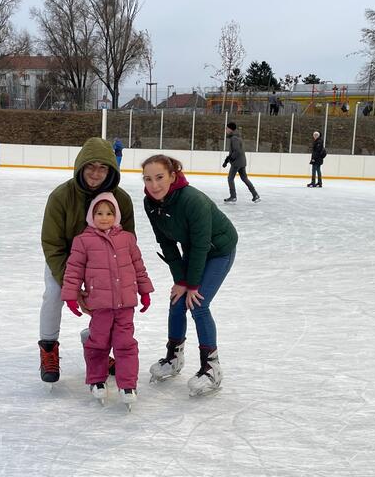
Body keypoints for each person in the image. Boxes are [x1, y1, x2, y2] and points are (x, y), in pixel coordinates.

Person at [39, 137, 135, 383]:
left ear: (111, 170)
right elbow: (53, 244)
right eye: (90, 166)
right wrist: (71, 286)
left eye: (102, 167)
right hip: (66, 261)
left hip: (103, 265)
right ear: (80, 166)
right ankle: (48, 349)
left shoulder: (121, 200)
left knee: (112, 303)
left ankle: (95, 344)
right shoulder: (60, 196)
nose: (95, 173)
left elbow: (127, 242)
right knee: (53, 292)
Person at [142, 155, 238, 397]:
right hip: (194, 250)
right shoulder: (150, 203)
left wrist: (192, 284)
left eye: (160, 177)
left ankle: (211, 368)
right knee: (177, 300)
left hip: (218, 250)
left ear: (173, 176)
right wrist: (180, 281)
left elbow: (200, 245)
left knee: (198, 304)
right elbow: (166, 243)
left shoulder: (192, 201)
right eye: (148, 179)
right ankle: (173, 357)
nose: (154, 185)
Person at [61, 192, 153, 407]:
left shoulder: (127, 239)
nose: (104, 218)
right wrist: (71, 297)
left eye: (109, 213)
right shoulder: (83, 241)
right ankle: (96, 380)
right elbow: (73, 270)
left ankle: (128, 384)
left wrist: (145, 291)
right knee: (98, 344)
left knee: (125, 345)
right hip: (99, 305)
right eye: (99, 213)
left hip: (125, 304)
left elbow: (138, 267)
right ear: (91, 216)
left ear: (117, 215)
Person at [222, 122, 260, 203]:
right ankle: (255, 195)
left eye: (226, 128)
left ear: (230, 129)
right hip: (242, 161)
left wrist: (230, 159)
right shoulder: (237, 137)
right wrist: (227, 160)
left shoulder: (234, 138)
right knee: (244, 178)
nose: (225, 130)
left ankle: (233, 196)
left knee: (230, 178)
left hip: (237, 162)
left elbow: (237, 151)